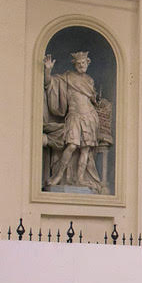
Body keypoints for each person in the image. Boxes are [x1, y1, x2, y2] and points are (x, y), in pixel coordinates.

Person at [43, 50, 104, 190]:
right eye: (79, 63)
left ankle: (80, 179)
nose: (81, 65)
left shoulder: (89, 80)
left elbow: (94, 99)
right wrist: (48, 70)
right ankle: (58, 176)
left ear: (87, 63)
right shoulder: (67, 77)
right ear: (75, 65)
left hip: (90, 117)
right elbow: (49, 83)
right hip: (74, 116)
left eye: (84, 63)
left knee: (85, 149)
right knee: (71, 146)